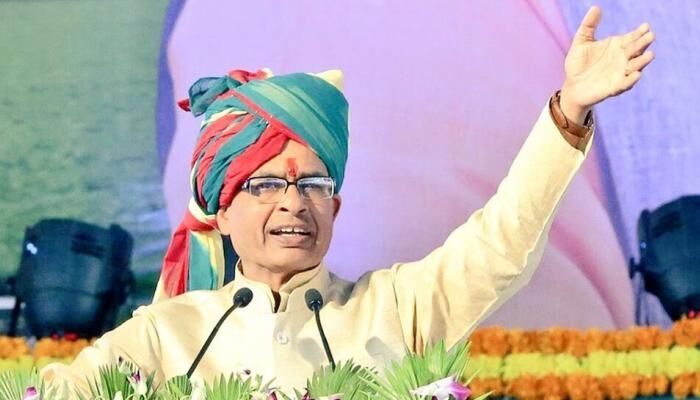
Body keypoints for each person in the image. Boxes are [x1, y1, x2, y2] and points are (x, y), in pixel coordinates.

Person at [41, 5, 655, 396]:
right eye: (266, 185)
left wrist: (569, 110)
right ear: (222, 212)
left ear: (334, 208)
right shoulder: (164, 337)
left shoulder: (395, 310)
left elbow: (502, 242)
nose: (293, 203)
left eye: (313, 185)